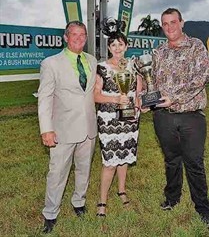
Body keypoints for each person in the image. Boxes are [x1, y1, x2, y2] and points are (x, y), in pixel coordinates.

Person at [151, 8, 209, 227]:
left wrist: (175, 98)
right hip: (163, 117)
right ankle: (172, 198)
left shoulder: (196, 46)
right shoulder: (158, 51)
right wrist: (146, 101)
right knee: (171, 160)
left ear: (182, 23)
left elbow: (202, 77)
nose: (170, 27)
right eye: (165, 23)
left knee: (194, 162)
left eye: (173, 22)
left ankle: (203, 209)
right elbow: (153, 83)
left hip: (191, 117)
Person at [38, 21, 97, 233]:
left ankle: (79, 202)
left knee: (85, 169)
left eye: (83, 35)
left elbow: (92, 94)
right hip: (62, 130)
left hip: (89, 128)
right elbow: (44, 98)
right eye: (74, 34)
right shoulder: (51, 64)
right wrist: (46, 129)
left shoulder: (92, 60)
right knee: (57, 173)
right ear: (66, 37)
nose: (79, 38)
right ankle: (50, 213)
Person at [94, 18, 143, 217]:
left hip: (130, 119)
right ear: (108, 47)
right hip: (108, 120)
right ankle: (102, 201)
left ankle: (121, 190)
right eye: (113, 44)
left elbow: (139, 93)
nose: (117, 48)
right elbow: (95, 96)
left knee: (124, 158)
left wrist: (141, 104)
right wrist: (116, 98)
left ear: (126, 46)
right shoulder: (101, 68)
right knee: (110, 161)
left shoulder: (134, 66)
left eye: (120, 44)